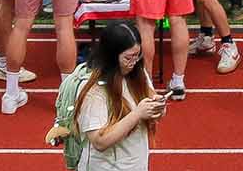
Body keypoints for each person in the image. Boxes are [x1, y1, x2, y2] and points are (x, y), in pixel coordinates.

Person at [67, 21, 169, 171]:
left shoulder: (139, 74)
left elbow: (152, 106)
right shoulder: (93, 89)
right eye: (128, 58)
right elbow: (99, 141)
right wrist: (137, 114)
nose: (134, 62)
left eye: (137, 56)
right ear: (111, 56)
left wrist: (158, 108)